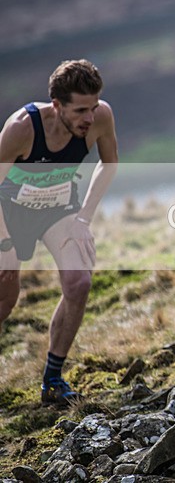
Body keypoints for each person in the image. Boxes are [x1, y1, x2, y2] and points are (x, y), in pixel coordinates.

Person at [0, 59, 118, 406]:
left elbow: (109, 164)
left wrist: (84, 220)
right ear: (57, 106)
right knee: (6, 297)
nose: (89, 117)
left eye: (93, 107)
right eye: (80, 109)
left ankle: (52, 380)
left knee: (79, 283)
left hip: (58, 209)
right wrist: (5, 241)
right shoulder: (22, 128)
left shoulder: (102, 117)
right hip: (9, 212)